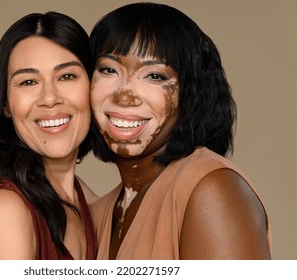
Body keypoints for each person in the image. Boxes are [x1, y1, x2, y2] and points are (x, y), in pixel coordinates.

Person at [89, 2, 271, 259]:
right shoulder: (102, 212)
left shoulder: (210, 191)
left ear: (191, 93)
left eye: (155, 76)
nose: (124, 95)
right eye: (109, 70)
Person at [0, 12, 98, 260]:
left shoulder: (83, 201)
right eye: (28, 82)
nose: (50, 98)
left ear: (94, 88)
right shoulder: (6, 210)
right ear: (5, 103)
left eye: (67, 76)